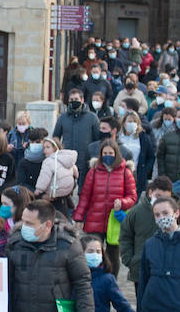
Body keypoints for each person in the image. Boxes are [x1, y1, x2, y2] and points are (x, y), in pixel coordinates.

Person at [74, 140, 137, 271]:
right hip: (94, 219)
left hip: (114, 221)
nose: (108, 155)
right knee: (91, 252)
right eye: (105, 153)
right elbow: (85, 196)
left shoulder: (126, 172)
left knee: (113, 256)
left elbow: (132, 197)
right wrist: (79, 218)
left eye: (111, 153)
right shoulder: (94, 171)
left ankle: (110, 281)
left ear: (116, 154)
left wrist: (123, 202)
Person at [53, 91, 100, 185]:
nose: (74, 101)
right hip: (67, 161)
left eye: (76, 99)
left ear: (82, 100)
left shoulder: (92, 117)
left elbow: (97, 139)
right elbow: (56, 137)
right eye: (71, 99)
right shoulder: (62, 118)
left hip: (85, 161)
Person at [35, 136, 79, 216]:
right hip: (64, 198)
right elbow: (75, 173)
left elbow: (44, 178)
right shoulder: (67, 159)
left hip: (52, 197)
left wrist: (38, 190)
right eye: (44, 148)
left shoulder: (48, 161)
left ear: (55, 148)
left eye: (47, 147)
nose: (44, 150)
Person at [119, 112, 156, 192]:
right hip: (119, 174)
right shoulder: (118, 137)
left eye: (134, 121)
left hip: (137, 175)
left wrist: (145, 171)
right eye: (129, 121)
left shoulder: (143, 137)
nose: (132, 124)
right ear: (124, 123)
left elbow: (151, 156)